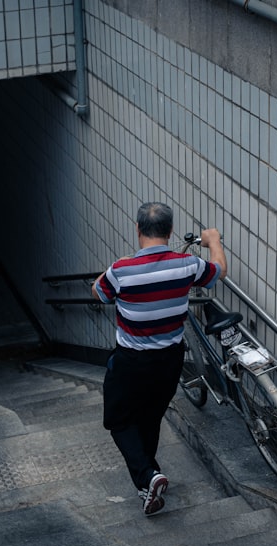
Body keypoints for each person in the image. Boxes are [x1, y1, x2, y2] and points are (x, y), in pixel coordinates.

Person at [91, 202, 227, 515]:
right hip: (170, 361)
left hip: (131, 362)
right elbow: (218, 270)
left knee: (119, 419)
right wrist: (214, 241)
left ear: (137, 230)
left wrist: (118, 265)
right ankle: (148, 485)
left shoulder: (121, 271)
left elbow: (98, 292)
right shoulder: (187, 265)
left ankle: (149, 476)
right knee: (150, 418)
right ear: (170, 232)